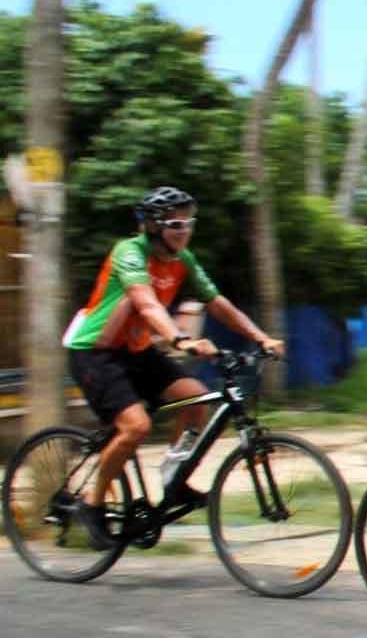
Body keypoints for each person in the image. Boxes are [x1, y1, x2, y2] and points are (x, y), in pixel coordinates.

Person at [63, 186, 286, 548]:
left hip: (136, 352)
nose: (185, 230)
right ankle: (92, 503)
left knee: (197, 399)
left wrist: (261, 337)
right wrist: (180, 340)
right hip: (96, 352)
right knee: (136, 426)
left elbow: (217, 303)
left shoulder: (184, 261)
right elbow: (146, 303)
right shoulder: (129, 251)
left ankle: (175, 478)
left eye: (189, 223)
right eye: (175, 223)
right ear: (153, 226)